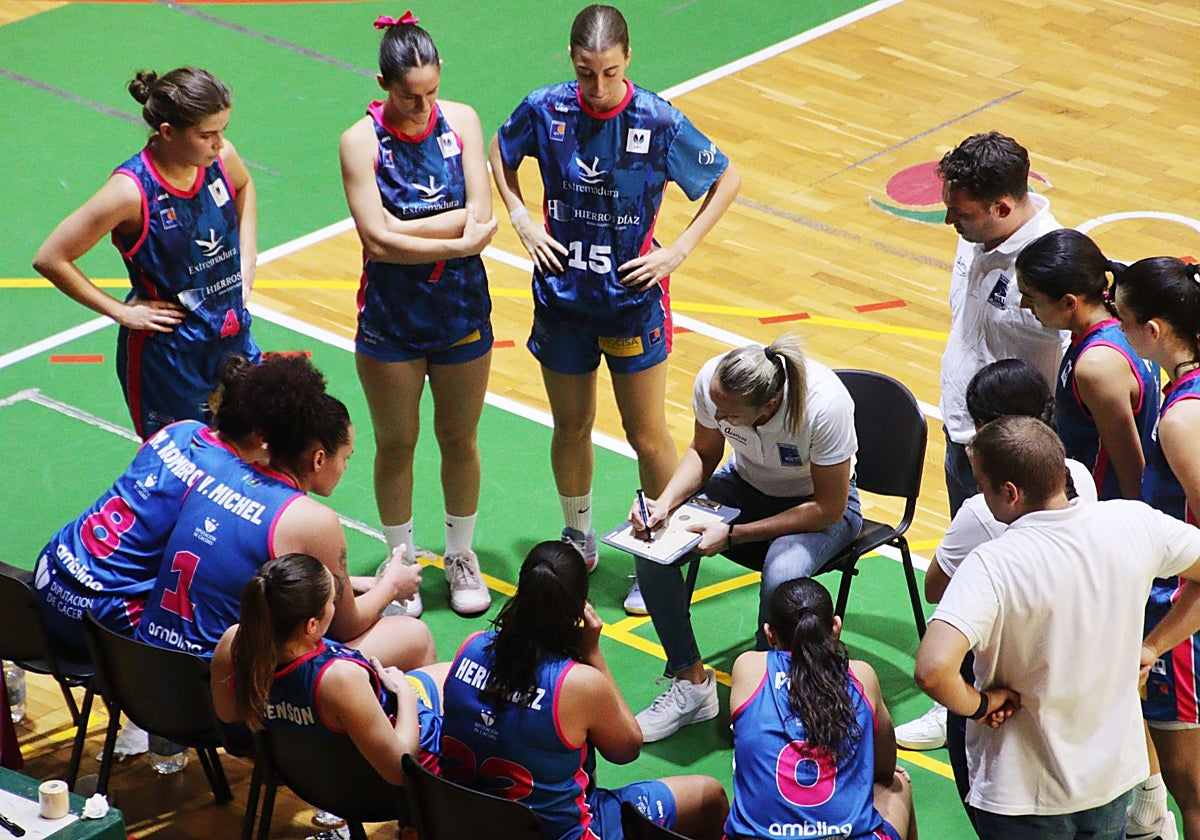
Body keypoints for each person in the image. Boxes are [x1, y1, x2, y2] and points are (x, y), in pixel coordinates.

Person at [490, 4, 740, 607]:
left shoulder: (658, 119)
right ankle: (578, 537)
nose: (597, 87)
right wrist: (520, 217)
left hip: (632, 301)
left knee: (646, 434)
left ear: (627, 58)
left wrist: (676, 251)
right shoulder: (545, 109)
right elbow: (499, 151)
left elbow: (725, 179)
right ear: (571, 62)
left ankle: (659, 548)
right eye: (585, 73)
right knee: (571, 425)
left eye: (609, 72)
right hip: (563, 297)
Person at [914, 415, 1200, 840]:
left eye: (981, 485)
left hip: (1022, 792)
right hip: (1111, 780)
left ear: (1009, 493)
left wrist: (979, 705)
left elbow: (933, 669)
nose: (979, 495)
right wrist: (1154, 646)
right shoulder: (1135, 523)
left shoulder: (993, 564)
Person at [340, 11, 498, 619]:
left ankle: (460, 554)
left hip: (461, 312)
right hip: (391, 321)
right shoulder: (359, 142)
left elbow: (479, 217)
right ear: (384, 85)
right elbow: (376, 241)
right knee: (396, 443)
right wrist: (453, 237)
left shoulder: (463, 121)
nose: (423, 106)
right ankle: (400, 564)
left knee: (459, 439)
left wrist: (408, 230)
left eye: (431, 91)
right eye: (410, 96)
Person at [629, 334, 861, 742]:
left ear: (768, 407)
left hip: (817, 506)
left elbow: (829, 507)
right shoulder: (715, 384)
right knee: (650, 548)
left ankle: (765, 691)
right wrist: (663, 503)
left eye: (728, 414)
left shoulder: (824, 407)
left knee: (782, 573)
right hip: (743, 486)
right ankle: (690, 683)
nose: (717, 415)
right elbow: (704, 452)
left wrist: (734, 536)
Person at [896, 360, 1098, 821]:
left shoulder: (981, 511)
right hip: (1072, 653)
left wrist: (978, 704)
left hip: (1002, 668)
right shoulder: (1076, 474)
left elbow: (934, 589)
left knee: (992, 792)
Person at [136, 357, 434, 670]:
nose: (346, 467)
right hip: (217, 681)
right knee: (415, 636)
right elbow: (347, 626)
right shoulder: (312, 520)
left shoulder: (218, 471)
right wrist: (392, 586)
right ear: (319, 459)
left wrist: (357, 583)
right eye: (345, 458)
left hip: (143, 664)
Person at [439, 541, 728, 840]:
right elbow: (627, 749)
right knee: (709, 797)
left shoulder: (471, 646)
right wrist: (593, 653)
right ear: (580, 607)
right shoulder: (577, 684)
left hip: (467, 825)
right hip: (557, 834)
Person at [33, 67, 259, 440]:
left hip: (232, 338)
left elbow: (244, 186)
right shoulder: (130, 192)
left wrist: (248, 260)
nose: (219, 143)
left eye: (223, 130)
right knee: (180, 462)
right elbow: (51, 257)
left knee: (257, 446)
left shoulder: (222, 159)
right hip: (171, 358)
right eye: (206, 135)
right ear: (168, 133)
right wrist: (121, 312)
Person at [31, 354, 289, 660]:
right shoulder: (228, 479)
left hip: (49, 572)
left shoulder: (181, 428)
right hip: (94, 612)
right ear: (263, 438)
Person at [211, 553, 445, 787]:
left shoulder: (234, 644)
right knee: (451, 676)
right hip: (395, 774)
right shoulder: (340, 680)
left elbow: (227, 713)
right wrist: (405, 693)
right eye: (332, 602)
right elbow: (400, 769)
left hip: (307, 774)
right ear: (312, 625)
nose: (334, 607)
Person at [1114, 257, 1200, 840]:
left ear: (1153, 330)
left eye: (1123, 322)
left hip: (1184, 624)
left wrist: (1155, 643)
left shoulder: (1181, 420)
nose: (1118, 332)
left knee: (1192, 791)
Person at [727, 578, 917, 840]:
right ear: (835, 627)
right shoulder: (862, 676)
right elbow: (885, 767)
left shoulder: (748, 668)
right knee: (897, 784)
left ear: (770, 634)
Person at [937, 131, 1065, 517]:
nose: (948, 220)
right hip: (960, 430)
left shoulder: (1053, 268)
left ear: (1002, 208)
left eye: (960, 214)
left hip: (1014, 460)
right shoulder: (977, 232)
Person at [1015, 228, 1158, 500]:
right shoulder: (1123, 322)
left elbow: (1131, 470)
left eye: (1031, 297)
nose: (1023, 304)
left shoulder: (1097, 366)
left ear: (1069, 302)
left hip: (1101, 508)